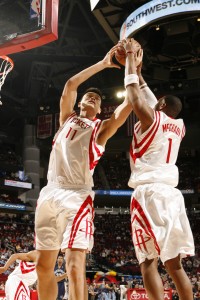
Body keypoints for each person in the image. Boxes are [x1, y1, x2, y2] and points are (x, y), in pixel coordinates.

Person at [35, 41, 141, 300]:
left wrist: (133, 68)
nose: (92, 98)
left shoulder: (101, 129)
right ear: (81, 103)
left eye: (97, 98)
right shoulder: (66, 119)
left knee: (74, 265)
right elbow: (70, 85)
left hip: (77, 196)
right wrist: (104, 63)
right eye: (88, 96)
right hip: (49, 193)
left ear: (99, 107)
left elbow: (127, 106)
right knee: (43, 267)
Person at [121, 38, 195, 300]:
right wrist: (140, 73)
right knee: (175, 266)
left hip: (149, 194)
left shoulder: (152, 117)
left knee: (148, 263)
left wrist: (130, 59)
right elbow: (150, 96)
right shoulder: (179, 126)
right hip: (172, 197)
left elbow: (134, 96)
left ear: (161, 106)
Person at [0, 250, 67, 300]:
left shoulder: (46, 266)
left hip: (20, 284)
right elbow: (15, 255)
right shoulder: (37, 254)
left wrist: (67, 274)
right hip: (17, 282)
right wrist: (4, 268)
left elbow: (52, 279)